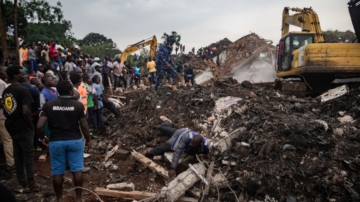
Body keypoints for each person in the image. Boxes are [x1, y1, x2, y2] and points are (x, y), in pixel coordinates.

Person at [37, 80, 92, 202]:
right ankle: (78, 198)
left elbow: (40, 126)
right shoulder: (78, 105)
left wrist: (42, 138)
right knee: (77, 171)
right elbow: (84, 126)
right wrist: (88, 140)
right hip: (75, 141)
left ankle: (59, 198)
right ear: (71, 91)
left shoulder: (49, 105)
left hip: (56, 142)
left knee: (58, 173)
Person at [2, 65, 37, 191]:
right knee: (28, 155)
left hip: (11, 125)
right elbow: (26, 112)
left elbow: (6, 108)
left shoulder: (7, 90)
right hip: (23, 126)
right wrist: (31, 126)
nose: (26, 75)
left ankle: (21, 182)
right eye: (22, 73)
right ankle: (31, 185)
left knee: (18, 154)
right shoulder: (23, 90)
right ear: (16, 76)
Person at [145, 119, 210, 178]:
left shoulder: (205, 147)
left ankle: (153, 151)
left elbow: (208, 155)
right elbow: (178, 152)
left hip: (184, 136)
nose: (191, 144)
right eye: (191, 142)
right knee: (164, 134)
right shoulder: (187, 137)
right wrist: (173, 168)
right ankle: (167, 122)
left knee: (169, 147)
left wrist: (201, 155)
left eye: (193, 144)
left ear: (198, 144)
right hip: (179, 134)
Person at [0, 66, 14, 171]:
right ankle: (11, 163)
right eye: (4, 71)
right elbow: (1, 102)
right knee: (7, 139)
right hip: (2, 116)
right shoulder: (1, 84)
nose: (6, 73)